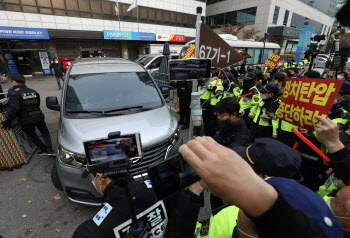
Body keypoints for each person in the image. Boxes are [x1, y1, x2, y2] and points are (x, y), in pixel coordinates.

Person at [175, 136, 343, 238]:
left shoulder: (235, 215)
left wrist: (191, 194)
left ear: (262, 176)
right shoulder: (311, 201)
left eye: (244, 164)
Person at [73, 163, 159, 238]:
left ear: (100, 178)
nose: (92, 181)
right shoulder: (160, 186)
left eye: (92, 178)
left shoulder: (90, 231)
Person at [0, 74, 55, 156]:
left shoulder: (13, 93)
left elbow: (15, 108)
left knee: (33, 136)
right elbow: (38, 104)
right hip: (39, 117)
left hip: (26, 119)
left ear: (14, 82)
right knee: (45, 133)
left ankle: (44, 149)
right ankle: (50, 150)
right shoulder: (33, 91)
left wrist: (8, 119)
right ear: (24, 82)